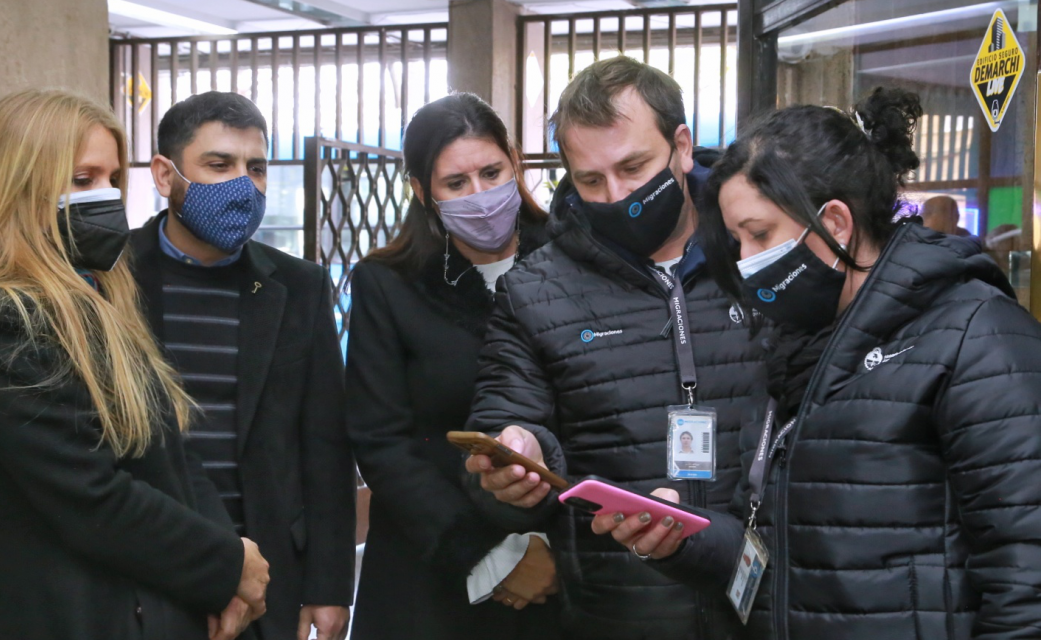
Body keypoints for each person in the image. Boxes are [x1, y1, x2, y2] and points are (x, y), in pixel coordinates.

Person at [596, 88, 1041, 637]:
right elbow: (775, 548)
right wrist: (685, 539)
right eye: (736, 241)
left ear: (834, 223)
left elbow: (1026, 579)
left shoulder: (977, 337)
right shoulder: (792, 349)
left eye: (760, 234)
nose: (745, 260)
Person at [0, 89, 269, 640]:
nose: (105, 196)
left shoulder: (102, 299)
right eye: (82, 180)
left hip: (158, 607)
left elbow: (168, 452)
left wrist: (230, 567)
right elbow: (90, 496)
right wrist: (227, 565)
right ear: (20, 187)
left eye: (112, 179)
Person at [463, 56, 767, 639]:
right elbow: (505, 422)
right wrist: (516, 461)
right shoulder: (535, 291)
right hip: (618, 612)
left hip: (773, 605)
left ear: (681, 147)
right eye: (590, 180)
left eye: (633, 167)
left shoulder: (758, 250)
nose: (618, 195)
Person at [133, 91, 355, 640]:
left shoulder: (299, 286)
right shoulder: (111, 277)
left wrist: (329, 585)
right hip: (145, 572)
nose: (244, 185)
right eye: (219, 165)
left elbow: (325, 444)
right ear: (164, 175)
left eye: (255, 168)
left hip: (269, 580)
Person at [345, 93, 561, 640]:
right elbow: (381, 440)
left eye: (492, 173)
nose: (480, 196)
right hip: (431, 572)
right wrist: (489, 556)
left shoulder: (571, 260)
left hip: (564, 566)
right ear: (423, 191)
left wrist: (553, 547)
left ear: (515, 162)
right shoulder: (389, 284)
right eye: (456, 183)